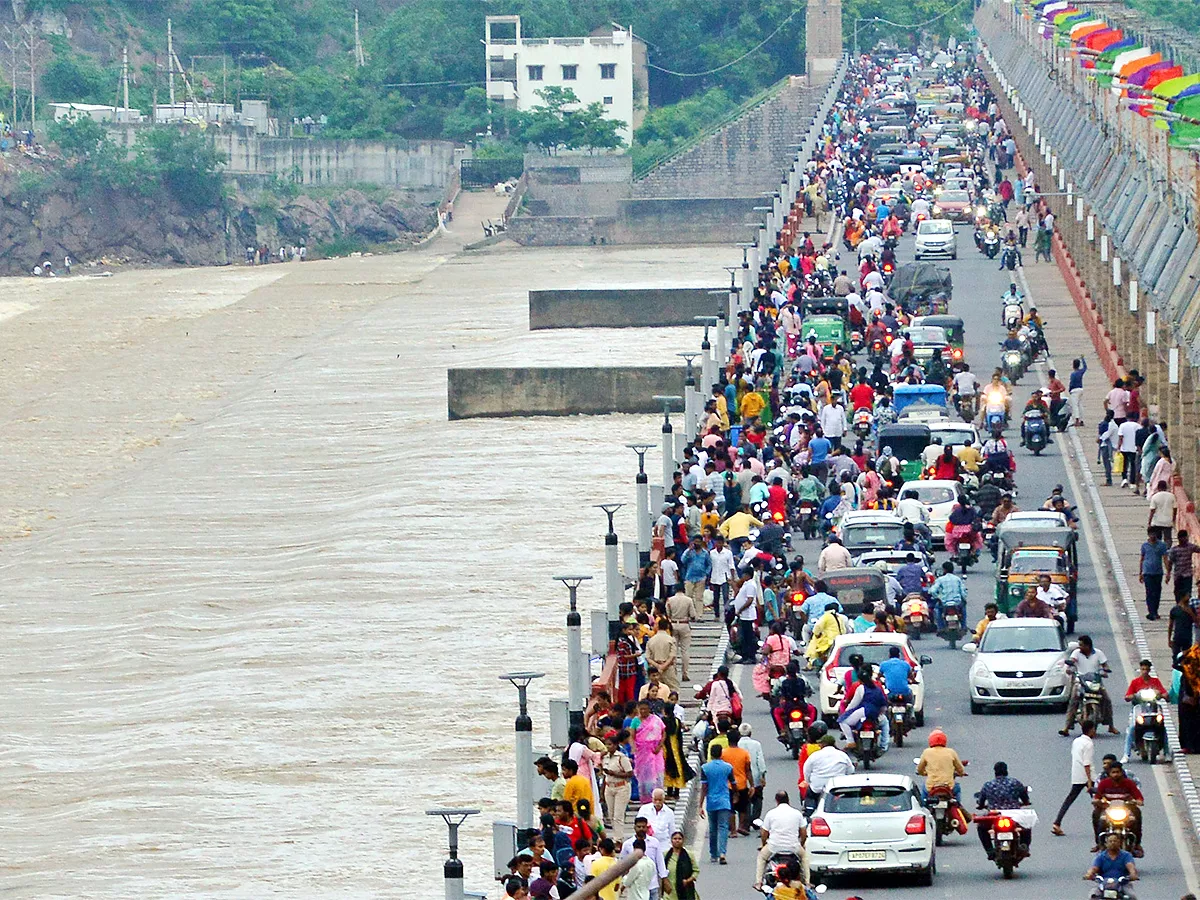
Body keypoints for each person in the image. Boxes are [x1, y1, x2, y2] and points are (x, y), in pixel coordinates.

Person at [1061, 635, 1119, 735]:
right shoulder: (1076, 653)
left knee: (1107, 700)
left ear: (1088, 645)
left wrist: (1104, 671)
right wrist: (1070, 668)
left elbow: (1105, 665)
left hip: (1095, 682)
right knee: (1073, 700)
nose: (1079, 647)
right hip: (1081, 681)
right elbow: (1072, 662)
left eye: (1081, 645)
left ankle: (1111, 725)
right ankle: (1067, 727)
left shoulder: (1098, 653)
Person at [754, 790, 809, 891]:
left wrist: (763, 844)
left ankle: (759, 882)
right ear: (788, 800)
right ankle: (807, 882)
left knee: (761, 858)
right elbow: (803, 833)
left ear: (777, 801)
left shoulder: (771, 813)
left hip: (774, 846)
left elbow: (764, 833)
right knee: (804, 857)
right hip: (793, 846)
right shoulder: (797, 813)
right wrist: (801, 844)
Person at [975, 761, 1032, 857]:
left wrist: (980, 805)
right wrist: (1025, 802)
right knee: (1027, 826)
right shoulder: (1015, 782)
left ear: (995, 772)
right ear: (1006, 771)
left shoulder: (988, 785)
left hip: (994, 816)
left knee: (981, 828)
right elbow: (1025, 798)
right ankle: (1024, 845)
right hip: (1014, 815)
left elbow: (981, 802)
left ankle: (990, 851)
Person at [1051, 719, 1096, 836]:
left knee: (1069, 799)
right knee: (1099, 800)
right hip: (1087, 775)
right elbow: (1087, 763)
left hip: (1076, 774)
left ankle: (1057, 823)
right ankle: (1102, 825)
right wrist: (1090, 781)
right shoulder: (1089, 743)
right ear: (1091, 730)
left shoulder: (1077, 741)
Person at [1091, 761, 1144, 852]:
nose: (1116, 775)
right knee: (1096, 815)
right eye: (1113, 772)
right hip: (1108, 809)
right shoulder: (1104, 783)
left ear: (1121, 772)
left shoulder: (1129, 783)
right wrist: (1097, 801)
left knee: (1137, 815)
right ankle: (1099, 843)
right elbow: (1097, 797)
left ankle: (1137, 844)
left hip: (1126, 808)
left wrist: (1138, 801)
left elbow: (1139, 797)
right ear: (1109, 773)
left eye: (1117, 772)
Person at [699, 745, 735, 865]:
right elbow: (733, 783)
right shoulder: (728, 767)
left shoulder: (705, 768)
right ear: (721, 754)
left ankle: (713, 854)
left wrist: (700, 805)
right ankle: (722, 853)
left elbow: (704, 787)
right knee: (723, 827)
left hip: (711, 801)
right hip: (724, 801)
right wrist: (736, 794)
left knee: (713, 828)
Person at [801, 734, 854, 812]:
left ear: (823, 744)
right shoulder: (842, 755)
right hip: (838, 787)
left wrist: (809, 782)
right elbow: (851, 771)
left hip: (818, 788)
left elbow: (806, 771)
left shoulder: (815, 755)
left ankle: (809, 811)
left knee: (810, 796)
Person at [619, 818, 669, 900]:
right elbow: (622, 863)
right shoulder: (628, 844)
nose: (641, 829)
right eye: (639, 827)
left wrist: (664, 878)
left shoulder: (654, 842)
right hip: (636, 885)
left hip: (652, 884)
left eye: (643, 827)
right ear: (634, 827)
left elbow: (660, 861)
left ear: (647, 828)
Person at [916, 728, 966, 804]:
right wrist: (961, 773)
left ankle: (924, 807)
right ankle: (957, 805)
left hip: (931, 786)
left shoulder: (927, 752)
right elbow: (960, 769)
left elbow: (919, 769)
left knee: (923, 792)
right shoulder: (951, 752)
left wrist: (923, 773)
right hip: (948, 787)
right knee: (957, 788)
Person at [602, 732, 634, 841]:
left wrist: (614, 773)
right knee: (611, 814)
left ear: (615, 745)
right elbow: (604, 775)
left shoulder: (621, 757)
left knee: (618, 815)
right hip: (609, 787)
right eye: (606, 744)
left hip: (621, 787)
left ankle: (618, 839)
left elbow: (630, 773)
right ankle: (616, 835)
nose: (608, 747)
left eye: (610, 744)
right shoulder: (605, 757)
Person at [632, 701, 666, 799]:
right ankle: (646, 797)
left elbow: (663, 733)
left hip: (655, 750)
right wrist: (634, 747)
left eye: (645, 709)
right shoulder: (635, 721)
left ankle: (658, 796)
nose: (643, 711)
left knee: (657, 773)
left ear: (649, 709)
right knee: (644, 775)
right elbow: (632, 735)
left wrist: (659, 746)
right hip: (642, 751)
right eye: (641, 709)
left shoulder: (656, 719)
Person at [1139, 527, 1170, 620]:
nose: (1152, 536)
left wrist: (1168, 572)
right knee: (1149, 592)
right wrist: (1140, 572)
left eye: (1154, 534)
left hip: (1158, 572)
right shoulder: (1144, 546)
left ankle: (1155, 611)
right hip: (1147, 572)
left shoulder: (1162, 545)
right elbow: (1142, 559)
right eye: (1151, 534)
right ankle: (1151, 612)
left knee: (1157, 592)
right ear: (1148, 535)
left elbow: (1165, 558)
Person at [1165, 530, 1200, 607]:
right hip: (1178, 575)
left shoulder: (1190, 547)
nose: (1185, 539)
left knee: (1187, 593)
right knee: (1178, 593)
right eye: (1184, 538)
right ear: (1179, 539)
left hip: (1187, 575)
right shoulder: (1174, 550)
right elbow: (1170, 562)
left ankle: (1186, 608)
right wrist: (1168, 574)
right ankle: (1180, 607)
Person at [663, 831, 698, 900]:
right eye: (675, 839)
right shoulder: (666, 855)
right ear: (671, 841)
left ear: (683, 840)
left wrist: (687, 881)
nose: (677, 841)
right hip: (669, 889)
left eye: (679, 839)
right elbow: (661, 871)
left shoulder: (689, 855)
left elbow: (696, 871)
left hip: (685, 889)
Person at [1069, 357, 1088, 427]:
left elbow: (1072, 383)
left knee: (1075, 405)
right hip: (1080, 389)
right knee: (1080, 405)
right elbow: (1085, 367)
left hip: (1074, 390)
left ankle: (1077, 420)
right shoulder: (1080, 372)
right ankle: (1081, 420)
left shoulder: (1073, 374)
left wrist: (1069, 390)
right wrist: (1083, 359)